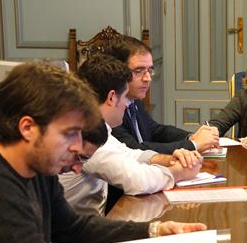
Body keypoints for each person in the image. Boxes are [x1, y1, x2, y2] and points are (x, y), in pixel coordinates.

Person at [0, 62, 221, 243]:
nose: (77, 146)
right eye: (69, 134)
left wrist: (154, 230)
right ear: (28, 128)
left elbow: (74, 229)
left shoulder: (36, 164)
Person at [59, 55, 201, 215]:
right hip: (75, 228)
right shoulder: (84, 135)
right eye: (125, 97)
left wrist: (167, 160)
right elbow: (137, 180)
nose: (128, 105)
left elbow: (126, 153)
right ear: (111, 97)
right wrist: (177, 173)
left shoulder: (97, 126)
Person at [106, 36, 219, 154]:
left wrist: (191, 137)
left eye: (149, 70)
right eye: (138, 71)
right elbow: (135, 150)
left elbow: (156, 131)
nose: (148, 78)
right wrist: (194, 144)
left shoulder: (134, 100)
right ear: (118, 71)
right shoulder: (110, 108)